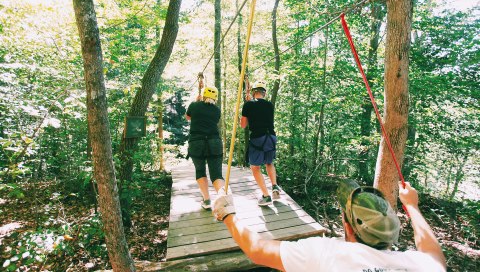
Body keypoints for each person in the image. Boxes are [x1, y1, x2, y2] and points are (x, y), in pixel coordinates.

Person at [213, 180, 447, 271]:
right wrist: (413, 207)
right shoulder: (415, 264)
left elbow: (257, 250)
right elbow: (434, 255)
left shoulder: (325, 253)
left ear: (346, 224)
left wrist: (227, 213)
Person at [241, 80, 280, 206]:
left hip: (258, 138)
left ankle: (266, 196)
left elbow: (243, 125)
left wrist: (246, 107)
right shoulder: (269, 105)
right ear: (264, 93)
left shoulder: (248, 105)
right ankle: (274, 186)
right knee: (269, 163)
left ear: (253, 92)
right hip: (271, 137)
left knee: (255, 167)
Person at [185, 86, 225, 209]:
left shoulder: (194, 105)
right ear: (215, 98)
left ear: (203, 95)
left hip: (197, 142)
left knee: (200, 170)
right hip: (214, 142)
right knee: (216, 174)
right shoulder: (217, 110)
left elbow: (188, 117)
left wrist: (197, 102)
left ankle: (207, 200)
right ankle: (223, 197)